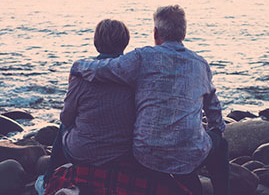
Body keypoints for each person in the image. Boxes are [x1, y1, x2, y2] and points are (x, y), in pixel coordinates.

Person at [70, 5, 230, 195]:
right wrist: (215, 130)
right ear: (183, 34)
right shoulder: (200, 64)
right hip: (189, 155)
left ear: (156, 33)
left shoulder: (142, 57)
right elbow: (213, 109)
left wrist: (77, 65)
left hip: (146, 155)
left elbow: (103, 68)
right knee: (220, 145)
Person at [40, 19, 192, 195]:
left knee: (64, 125)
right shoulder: (136, 76)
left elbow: (66, 118)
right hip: (125, 152)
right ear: (125, 42)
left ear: (96, 43)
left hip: (84, 152)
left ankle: (48, 179)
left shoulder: (82, 74)